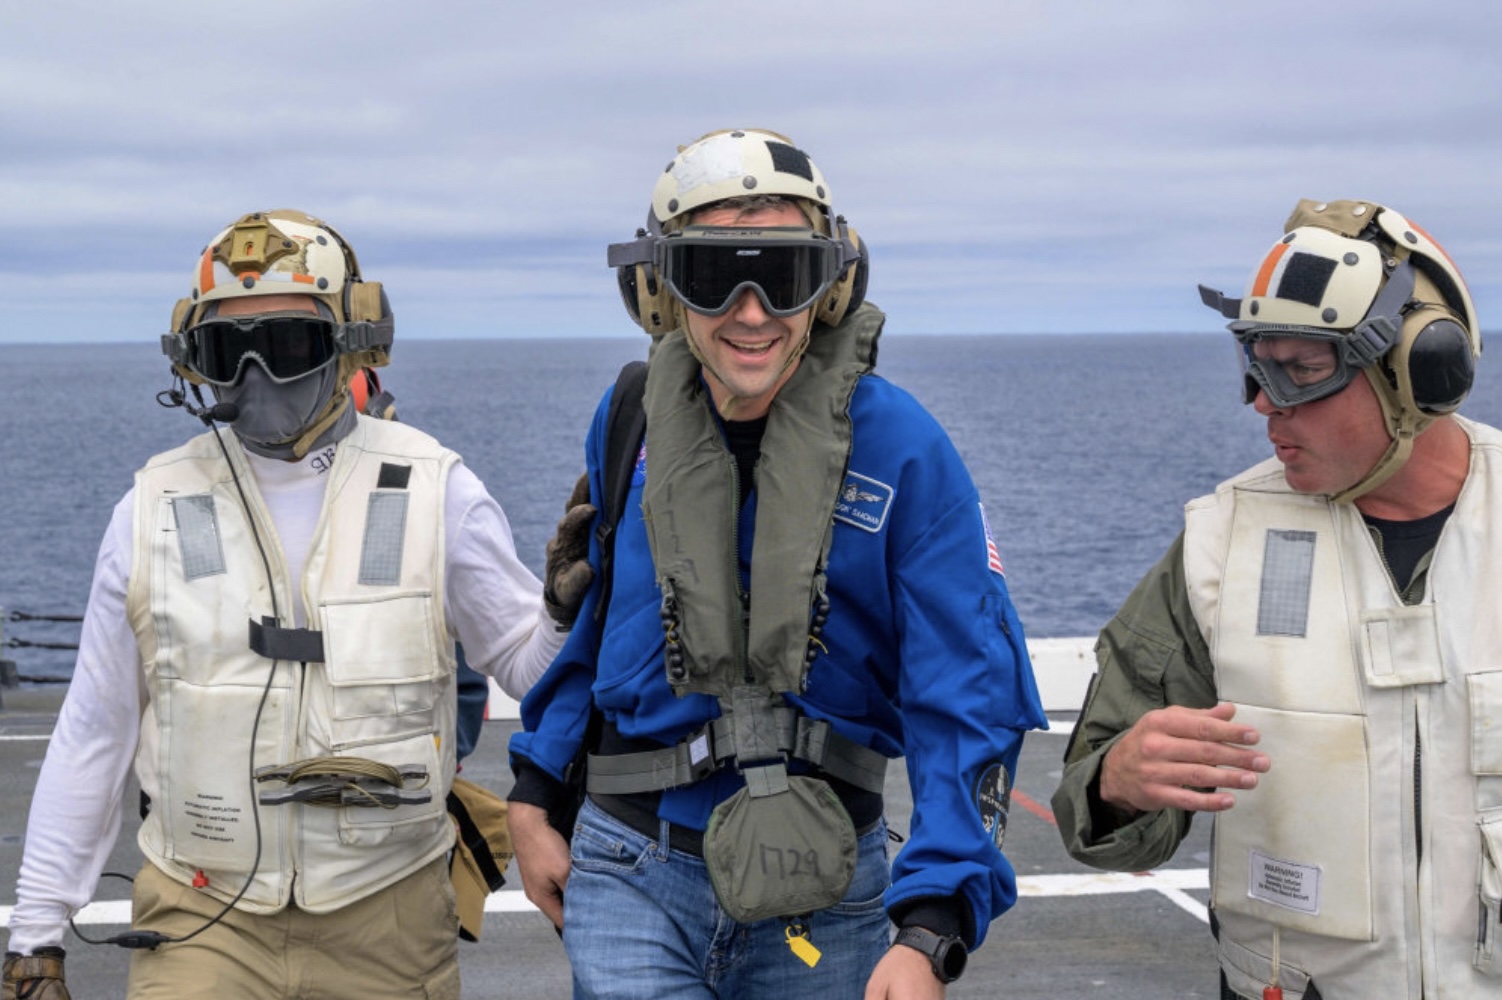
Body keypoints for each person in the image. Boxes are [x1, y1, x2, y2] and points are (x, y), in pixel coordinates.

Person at [506, 128, 1046, 999]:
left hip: (825, 891)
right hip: (630, 869)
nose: (752, 313)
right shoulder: (632, 418)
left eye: (784, 275)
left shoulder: (903, 449)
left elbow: (966, 684)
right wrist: (533, 796)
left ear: (830, 287)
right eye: (714, 274)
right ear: (658, 286)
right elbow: (600, 626)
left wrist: (933, 920)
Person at [3, 209, 577, 1000]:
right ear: (192, 360)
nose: (255, 377)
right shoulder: (151, 509)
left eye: (285, 345)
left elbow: (524, 665)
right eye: (226, 352)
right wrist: (35, 937)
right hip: (198, 917)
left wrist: (560, 614)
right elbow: (96, 729)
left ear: (351, 340)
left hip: (389, 921)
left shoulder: (435, 491)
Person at [1052, 198, 1498, 999]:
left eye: (1305, 370)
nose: (1264, 403)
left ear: (1420, 372)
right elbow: (1100, 814)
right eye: (1258, 367)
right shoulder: (1223, 542)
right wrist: (1117, 781)